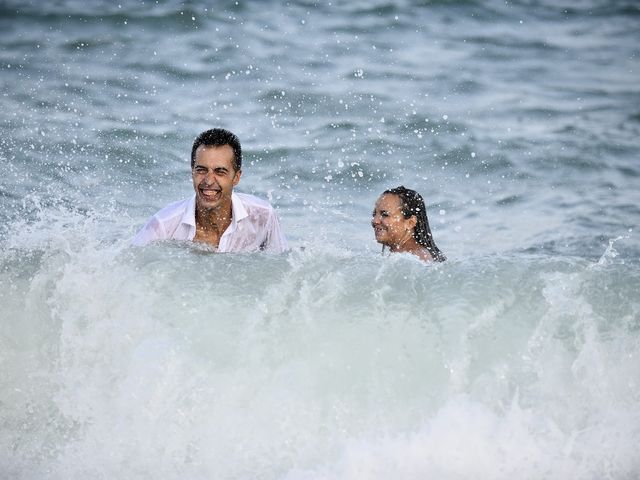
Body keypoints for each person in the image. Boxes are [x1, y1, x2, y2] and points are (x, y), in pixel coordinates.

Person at [132, 128, 288, 252]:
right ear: (192, 171)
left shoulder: (262, 217)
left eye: (220, 171)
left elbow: (281, 269)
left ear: (236, 177)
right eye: (201, 170)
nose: (208, 180)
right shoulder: (164, 226)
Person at [371, 186, 445, 262]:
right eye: (374, 214)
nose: (375, 221)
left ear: (410, 222)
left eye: (385, 215)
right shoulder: (410, 255)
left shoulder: (412, 257)